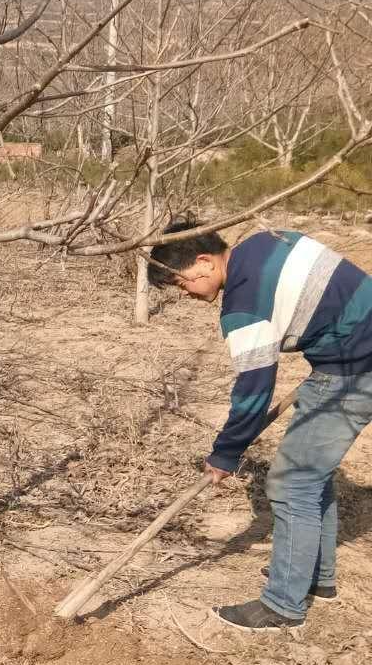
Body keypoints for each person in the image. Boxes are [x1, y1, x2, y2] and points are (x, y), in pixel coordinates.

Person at [150, 218, 372, 631]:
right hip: (353, 351)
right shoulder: (268, 241)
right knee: (311, 475)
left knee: (293, 484)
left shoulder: (243, 305)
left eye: (182, 284)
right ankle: (315, 579)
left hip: (355, 368)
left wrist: (226, 453)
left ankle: (284, 605)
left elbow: (254, 389)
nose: (186, 294)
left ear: (203, 262)